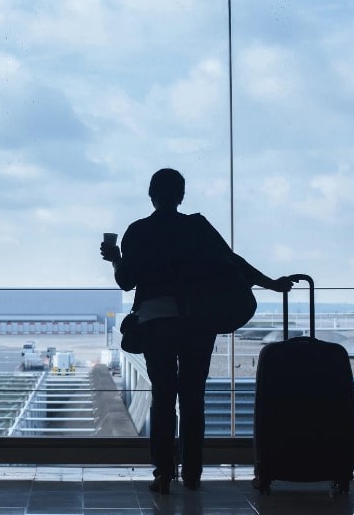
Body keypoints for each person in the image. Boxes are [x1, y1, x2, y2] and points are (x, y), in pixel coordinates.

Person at [100, 168, 293, 494]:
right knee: (192, 399)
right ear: (181, 196)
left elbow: (126, 281)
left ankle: (163, 473)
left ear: (151, 194)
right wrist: (271, 284)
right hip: (197, 322)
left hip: (156, 321)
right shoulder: (197, 227)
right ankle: (191, 473)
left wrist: (116, 259)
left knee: (163, 397)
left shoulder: (138, 231)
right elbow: (232, 263)